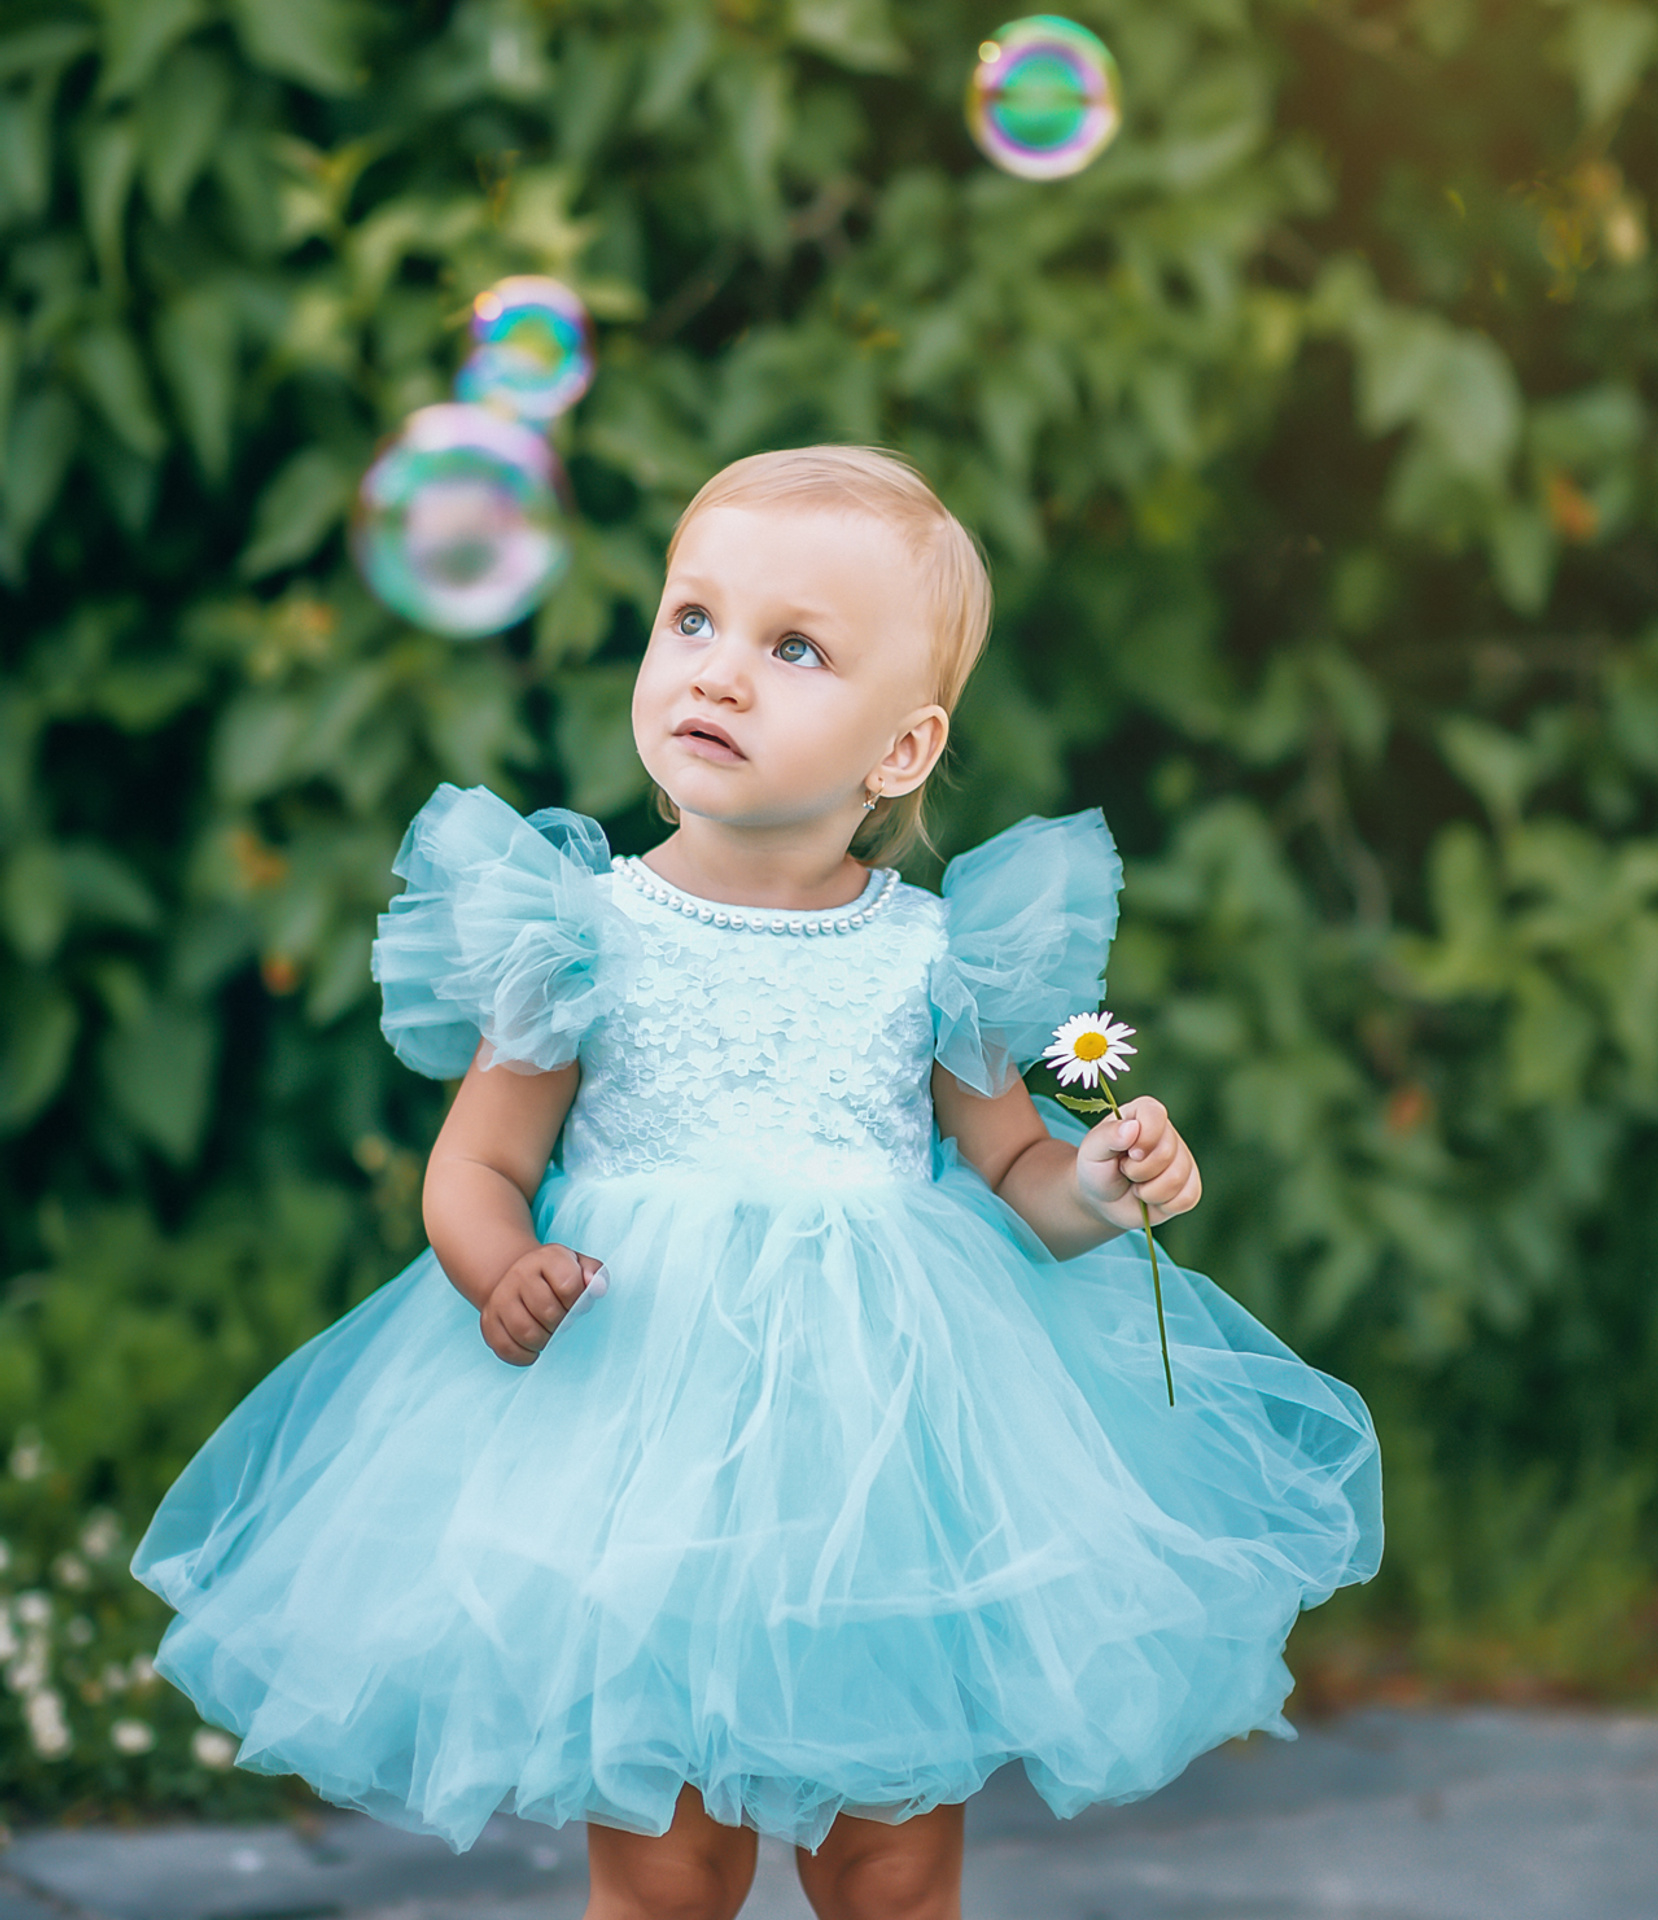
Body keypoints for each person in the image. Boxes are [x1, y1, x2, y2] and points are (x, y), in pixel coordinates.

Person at [132, 446, 1382, 1920]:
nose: (718, 675)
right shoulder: (583, 932)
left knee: (893, 1865)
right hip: (632, 1442)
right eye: (692, 622)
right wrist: (498, 1265)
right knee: (668, 1866)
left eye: (793, 648)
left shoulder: (933, 955)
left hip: (881, 1461)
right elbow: (477, 1162)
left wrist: (1103, 1184)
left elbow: (1019, 1178)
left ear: (901, 753)